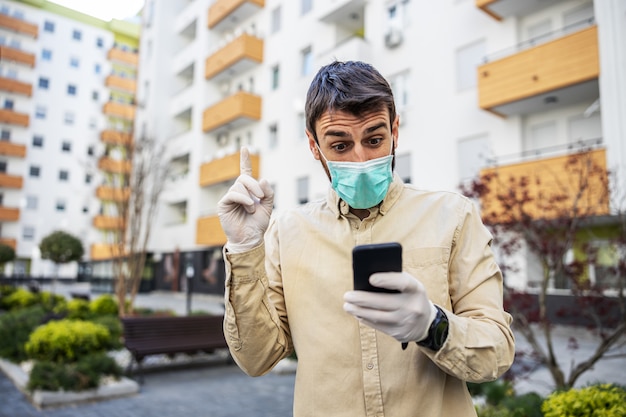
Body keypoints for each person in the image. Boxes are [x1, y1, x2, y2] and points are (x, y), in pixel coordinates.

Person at [217, 60, 515, 416]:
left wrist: (432, 327)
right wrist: (245, 248)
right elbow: (257, 359)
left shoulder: (453, 217)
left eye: (374, 140)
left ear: (395, 131)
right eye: (340, 146)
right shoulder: (287, 232)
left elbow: (495, 353)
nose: (360, 158)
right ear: (314, 147)